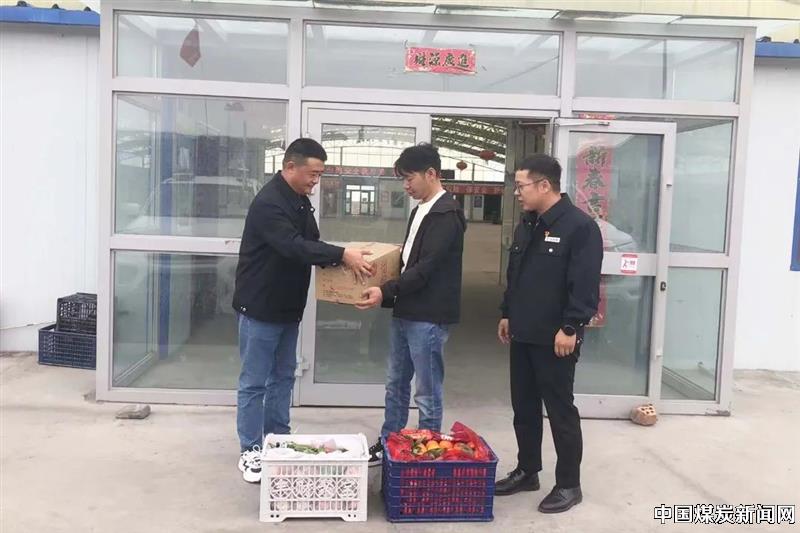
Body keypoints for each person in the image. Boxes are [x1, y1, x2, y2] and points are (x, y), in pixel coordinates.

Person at [232, 138, 374, 483]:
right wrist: (342, 255)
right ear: (290, 167)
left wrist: (343, 260)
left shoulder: (299, 201)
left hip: (287, 307)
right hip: (260, 306)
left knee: (283, 377)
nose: (316, 181)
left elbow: (312, 244)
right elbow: (293, 246)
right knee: (254, 382)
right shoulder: (269, 203)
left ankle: (277, 439)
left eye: (320, 175)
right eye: (313, 174)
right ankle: (251, 449)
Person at [495, 154, 603, 513]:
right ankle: (527, 471)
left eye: (521, 186)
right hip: (523, 332)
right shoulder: (528, 224)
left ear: (544, 185)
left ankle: (569, 484)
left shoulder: (579, 227)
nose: (517, 193)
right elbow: (516, 274)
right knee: (524, 407)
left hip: (557, 338)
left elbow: (584, 285)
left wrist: (571, 327)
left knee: (560, 411)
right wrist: (507, 313)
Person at [356, 143, 466, 466]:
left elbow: (425, 269)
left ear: (431, 174)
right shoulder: (421, 210)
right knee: (396, 384)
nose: (405, 185)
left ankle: (426, 453)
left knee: (427, 392)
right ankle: (390, 443)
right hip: (406, 311)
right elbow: (410, 259)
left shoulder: (447, 215)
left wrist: (384, 291)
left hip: (428, 316)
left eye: (409, 178)